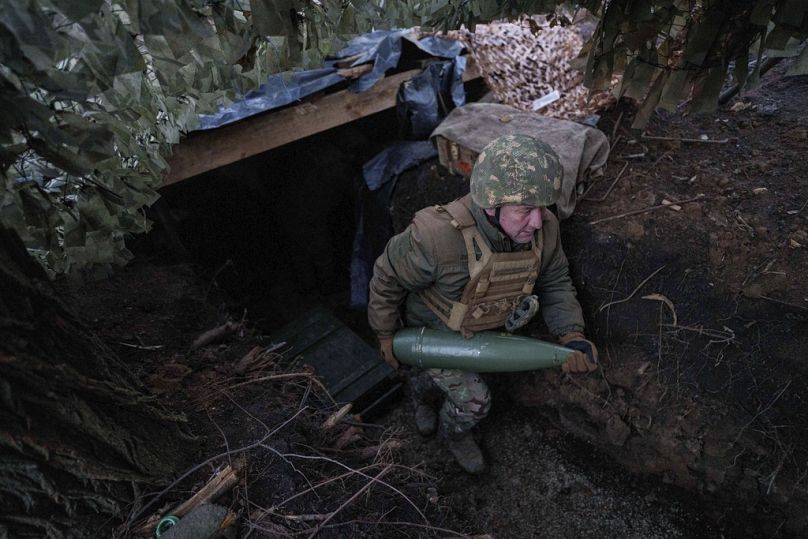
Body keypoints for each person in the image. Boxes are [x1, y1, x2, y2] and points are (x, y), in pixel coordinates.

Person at [367, 134, 598, 474]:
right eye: (525, 210)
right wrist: (385, 333)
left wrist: (571, 335)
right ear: (491, 204)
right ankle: (454, 432)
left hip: (483, 328)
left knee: (436, 378)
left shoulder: (544, 229)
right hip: (431, 330)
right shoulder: (437, 238)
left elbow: (555, 280)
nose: (537, 222)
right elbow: (387, 276)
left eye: (542, 208)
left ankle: (423, 392)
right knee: (475, 401)